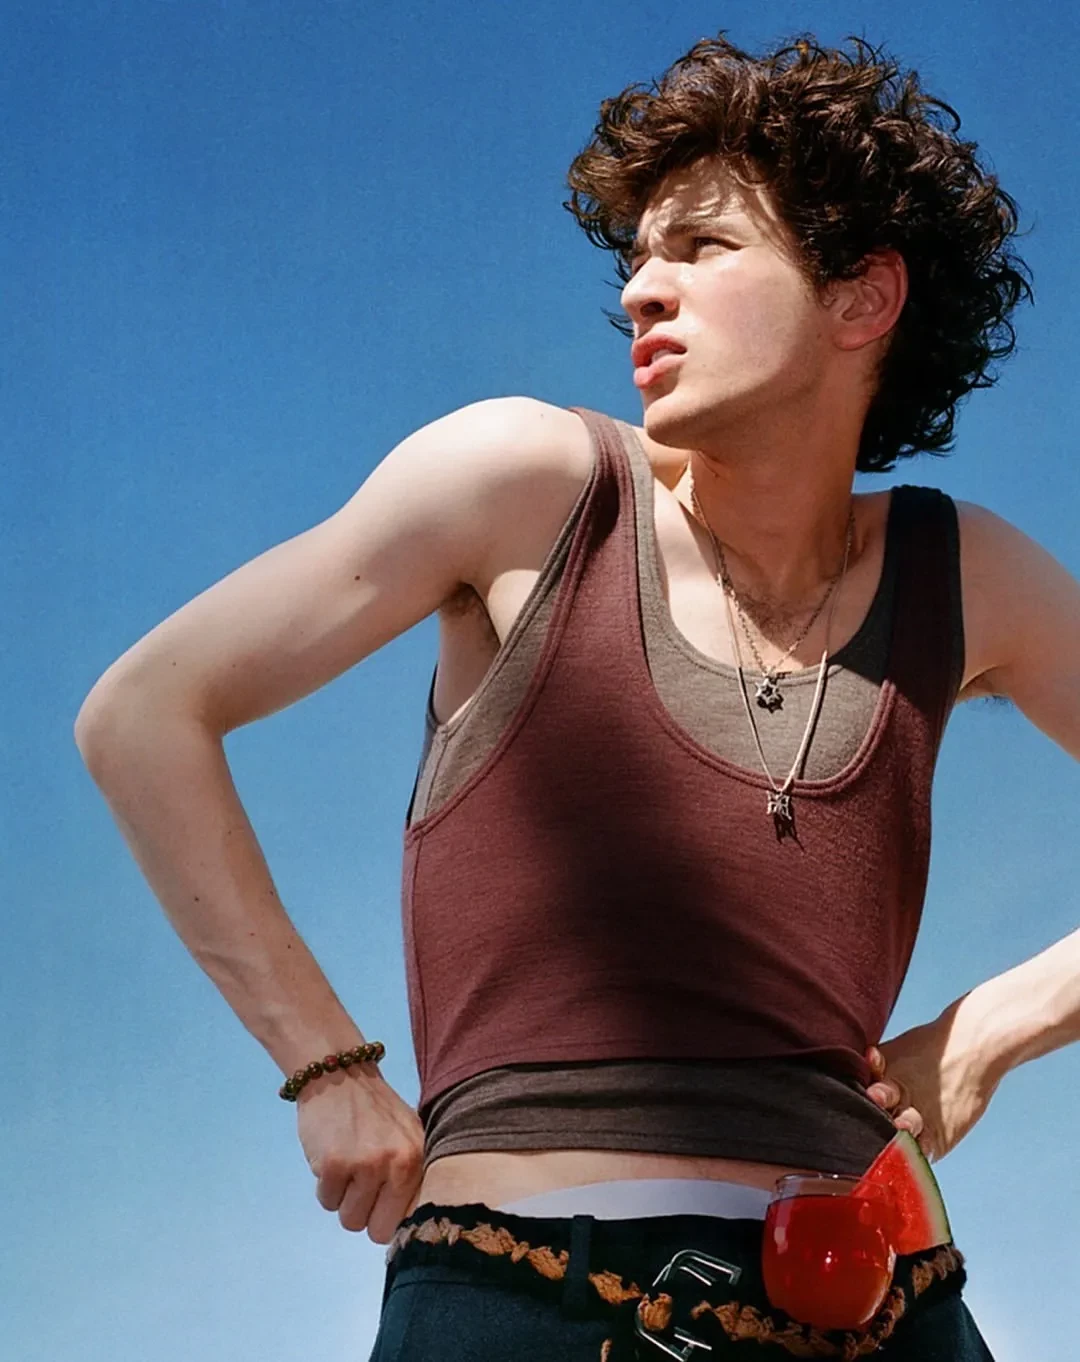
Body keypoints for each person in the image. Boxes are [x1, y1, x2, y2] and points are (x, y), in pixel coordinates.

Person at [73, 31, 1080, 1361]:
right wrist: (325, 1063)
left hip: (884, 1307)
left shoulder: (969, 574)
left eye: (703, 248)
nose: (643, 291)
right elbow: (145, 712)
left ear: (861, 297)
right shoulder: (528, 485)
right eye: (638, 259)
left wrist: (995, 1027)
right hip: (526, 1294)